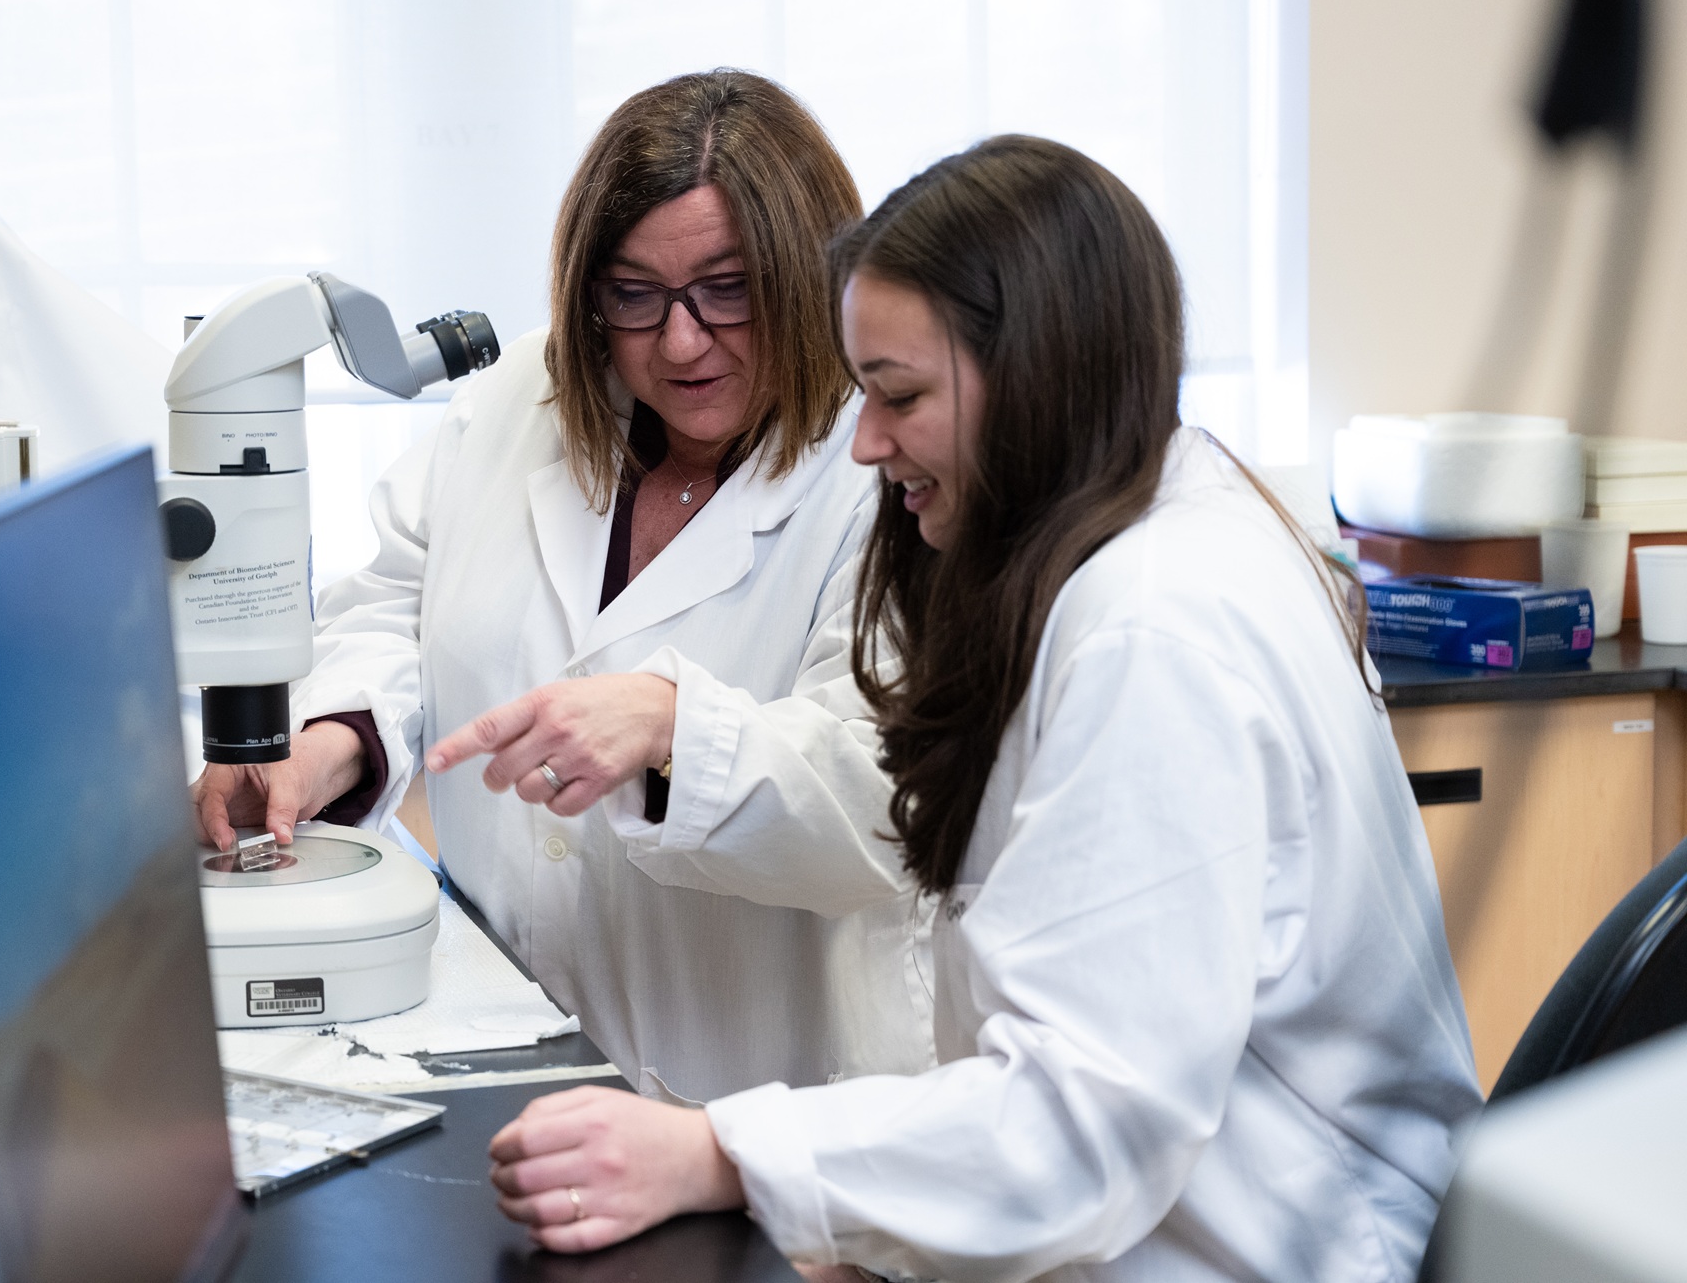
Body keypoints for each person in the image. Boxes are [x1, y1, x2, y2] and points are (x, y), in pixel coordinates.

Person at [486, 136, 1485, 1281]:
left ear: (1037, 375)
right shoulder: (1162, 520)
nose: (864, 443)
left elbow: (1078, 1126)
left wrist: (718, 1152)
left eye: (897, 396)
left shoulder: (1150, 631)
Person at [191, 70, 935, 1102]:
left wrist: (675, 728)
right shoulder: (523, 400)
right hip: (491, 1044)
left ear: (809, 278)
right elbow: (394, 600)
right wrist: (333, 739)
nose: (679, 341)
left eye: (727, 290)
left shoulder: (887, 470)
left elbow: (878, 795)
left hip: (759, 1102)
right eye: (634, 294)